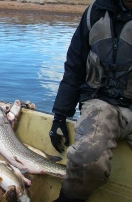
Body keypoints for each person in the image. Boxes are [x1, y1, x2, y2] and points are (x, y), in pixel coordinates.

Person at [48, 0, 132, 201]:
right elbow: (74, 67)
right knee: (86, 157)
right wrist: (60, 115)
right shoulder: (94, 13)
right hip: (101, 103)